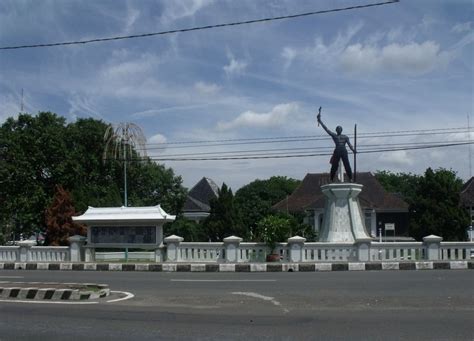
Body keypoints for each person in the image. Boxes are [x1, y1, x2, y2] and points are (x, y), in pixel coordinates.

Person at [317, 109, 355, 182]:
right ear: (336, 130)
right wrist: (320, 121)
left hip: (343, 151)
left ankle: (350, 178)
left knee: (347, 164)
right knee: (334, 165)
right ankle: (331, 178)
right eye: (337, 129)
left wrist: (353, 150)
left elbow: (350, 145)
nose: (338, 130)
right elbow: (326, 129)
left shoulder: (345, 137)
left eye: (339, 129)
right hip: (337, 150)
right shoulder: (334, 136)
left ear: (341, 130)